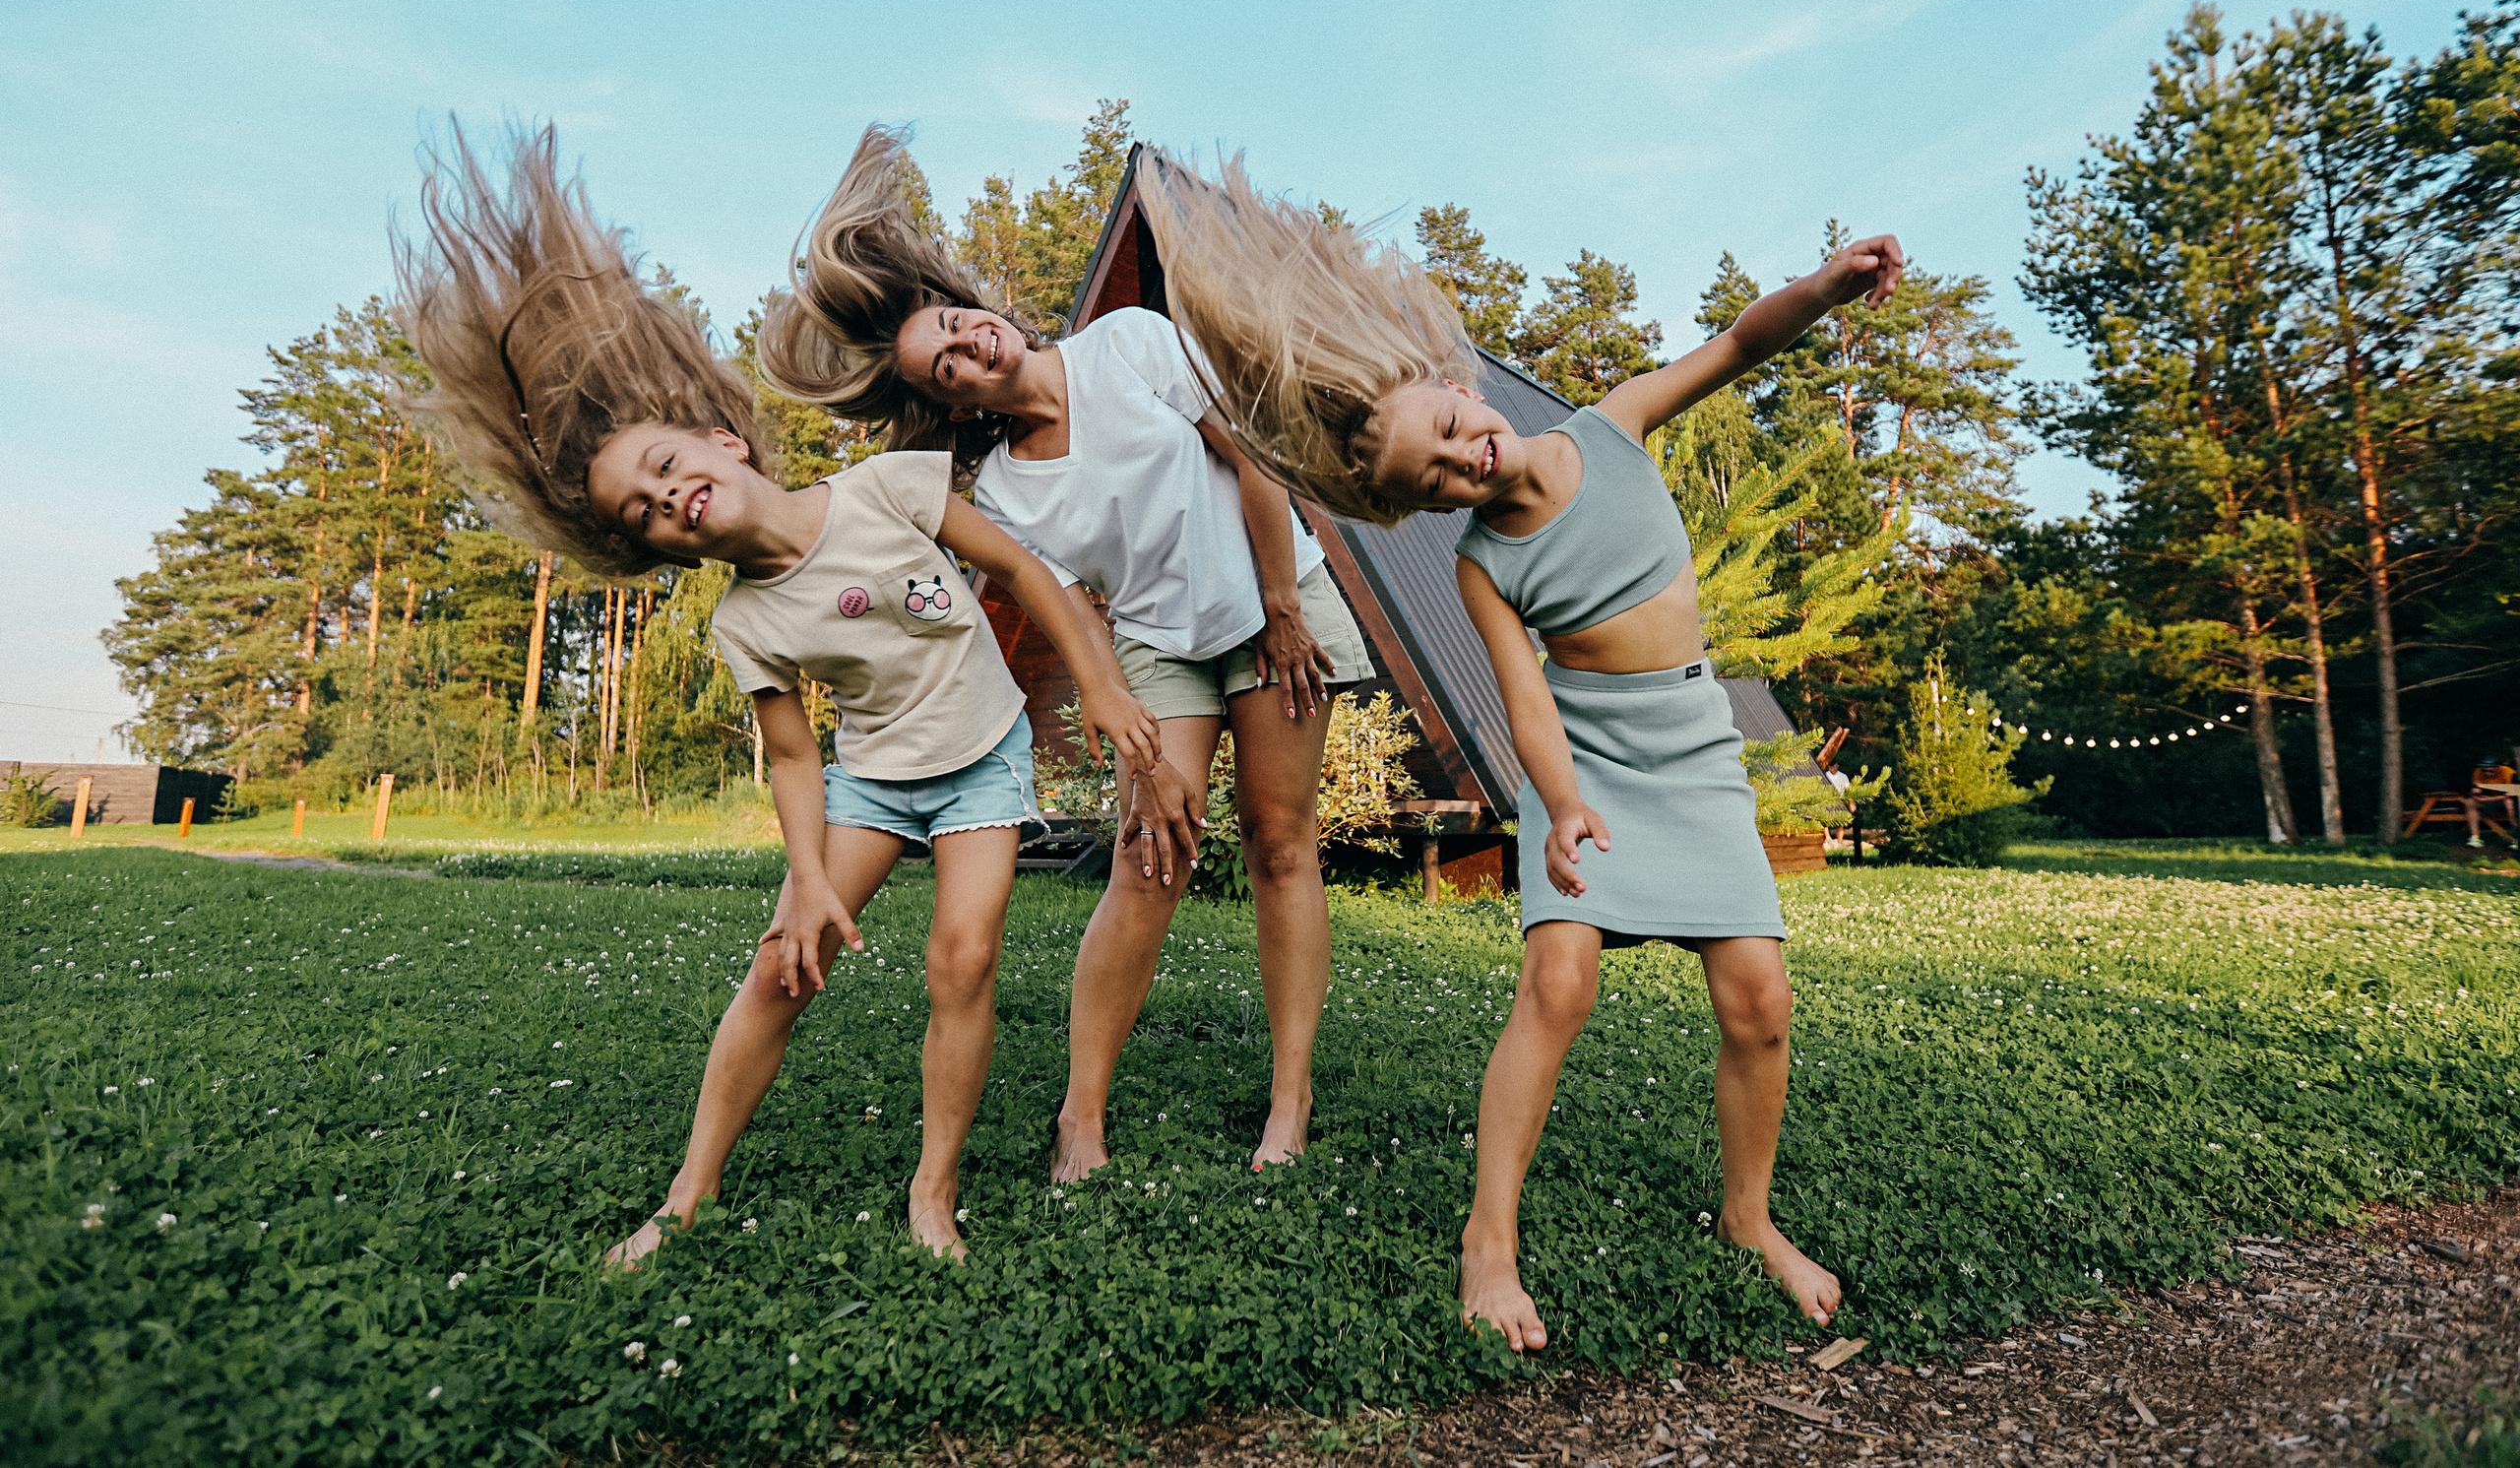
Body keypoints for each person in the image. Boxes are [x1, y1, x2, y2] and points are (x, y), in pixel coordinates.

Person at [1131, 154, 1904, 1346]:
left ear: (1456, 384)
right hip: (1584, 765)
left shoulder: (1616, 425)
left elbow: (1738, 344)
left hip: (1692, 749)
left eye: (1449, 432)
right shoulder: (1482, 564)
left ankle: (1748, 1219)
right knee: (1558, 981)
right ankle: (1486, 1246)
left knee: (1760, 1000)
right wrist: (1559, 804)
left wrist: (1825, 285)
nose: (1460, 466)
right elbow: (1528, 704)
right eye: (1433, 480)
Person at [394, 124, 1181, 1260]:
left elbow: (1021, 568)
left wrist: (1101, 688)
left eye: (666, 469)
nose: (669, 500)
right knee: (780, 965)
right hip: (872, 781)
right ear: (657, 547)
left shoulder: (885, 489)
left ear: (721, 442)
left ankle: (931, 1191)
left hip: (982, 760)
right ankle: (685, 1196)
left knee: (962, 959)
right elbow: (797, 757)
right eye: (643, 514)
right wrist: (808, 881)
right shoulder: (745, 620)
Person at [757, 128, 1376, 1178]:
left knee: (1281, 841)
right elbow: (1070, 601)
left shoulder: (1126, 343)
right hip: (1159, 643)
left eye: (960, 325)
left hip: (1278, 597)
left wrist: (1280, 605)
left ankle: (1289, 1097)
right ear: (950, 401)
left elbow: (1254, 460)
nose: (969, 347)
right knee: (1150, 861)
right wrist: (1106, 699)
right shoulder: (999, 490)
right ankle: (1080, 1115)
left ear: (984, 310)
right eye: (947, 363)